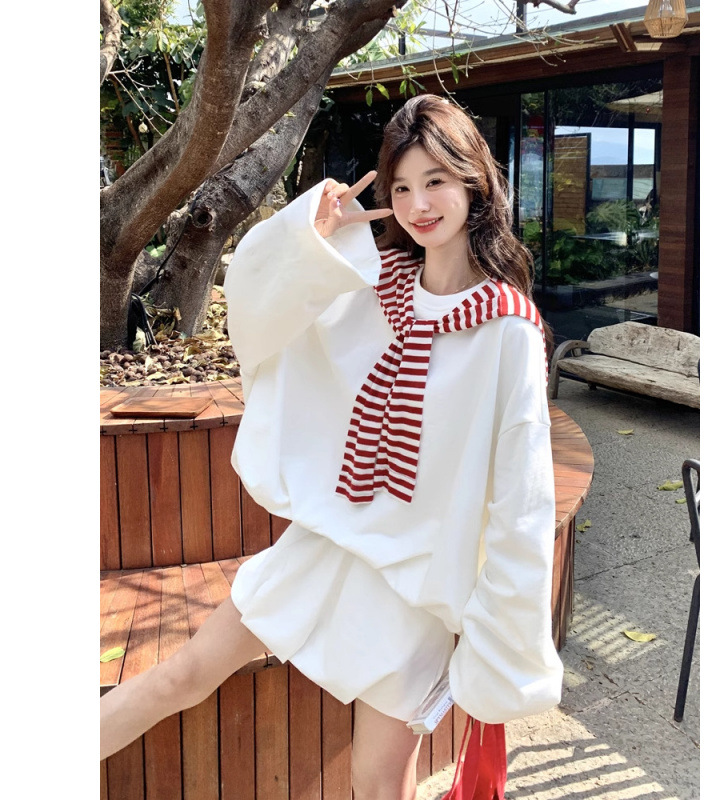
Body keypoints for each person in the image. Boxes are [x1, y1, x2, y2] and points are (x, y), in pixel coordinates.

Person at [100, 94, 563, 800]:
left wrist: (499, 642)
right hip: (328, 546)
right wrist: (307, 243)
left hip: (418, 589)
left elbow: (522, 503)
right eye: (401, 187)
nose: (418, 205)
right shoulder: (375, 288)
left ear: (474, 181)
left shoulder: (508, 331)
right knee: (180, 676)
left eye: (435, 181)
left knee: (374, 781)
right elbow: (265, 322)